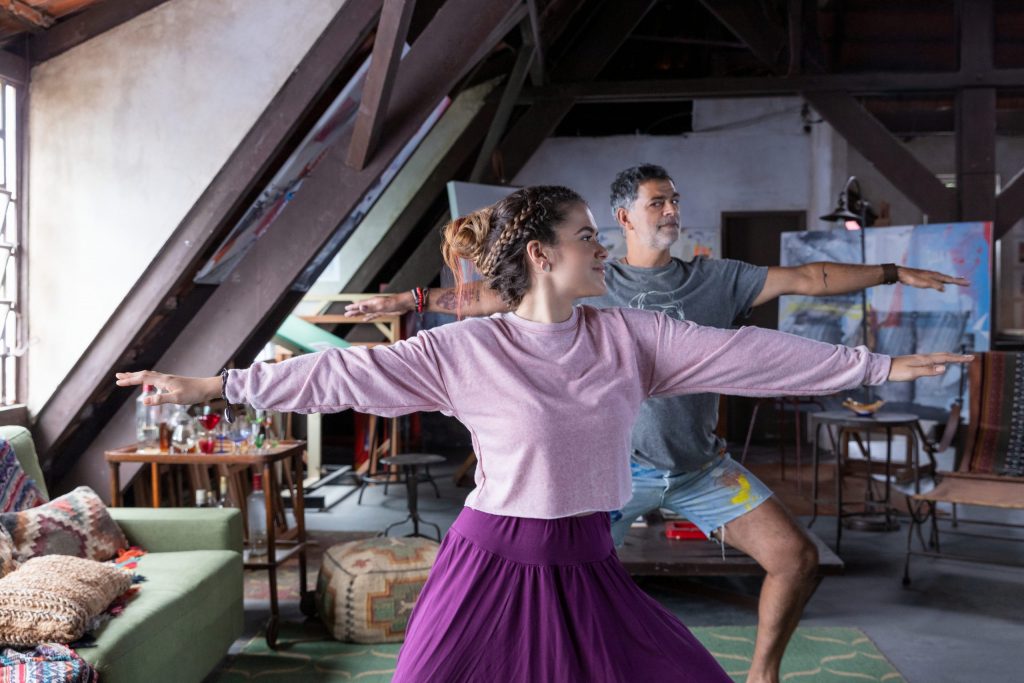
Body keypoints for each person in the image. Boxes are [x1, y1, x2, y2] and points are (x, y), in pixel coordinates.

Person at [117, 186, 970, 683]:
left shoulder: (628, 336)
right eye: (587, 237)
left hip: (587, 563)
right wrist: (221, 384)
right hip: (491, 562)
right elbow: (342, 375)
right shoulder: (466, 348)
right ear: (539, 254)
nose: (604, 249)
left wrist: (872, 366)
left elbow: (744, 355)